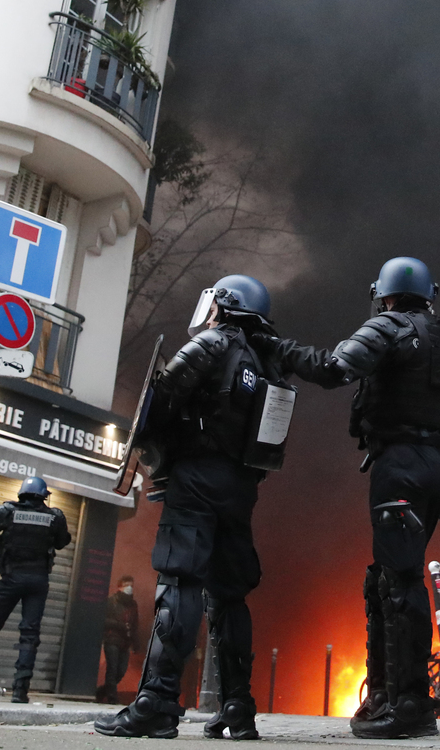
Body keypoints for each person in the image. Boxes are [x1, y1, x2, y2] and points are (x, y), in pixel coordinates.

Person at [259, 256, 440, 739]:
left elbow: (333, 368)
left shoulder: (388, 328)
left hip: (399, 466)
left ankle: (409, 706)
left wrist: (277, 349)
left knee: (400, 583)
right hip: (437, 468)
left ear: (384, 294)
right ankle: (385, 693)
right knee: (385, 578)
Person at [95, 275, 285, 740]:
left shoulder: (210, 344)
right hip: (239, 487)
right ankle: (238, 709)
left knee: (178, 583)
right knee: (230, 596)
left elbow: (159, 404)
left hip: (196, 480)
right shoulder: (265, 364)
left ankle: (157, 704)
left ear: (224, 306)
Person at [0, 476, 71, 704]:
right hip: (39, 580)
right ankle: (20, 691)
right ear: (43, 495)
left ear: (22, 493)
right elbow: (62, 542)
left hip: (12, 578)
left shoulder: (8, 510)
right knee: (29, 635)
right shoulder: (55, 516)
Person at [98, 576, 140, 703]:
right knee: (112, 668)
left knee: (121, 671)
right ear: (119, 586)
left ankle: (102, 691)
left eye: (131, 585)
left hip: (125, 643)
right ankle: (112, 697)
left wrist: (136, 642)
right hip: (112, 639)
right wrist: (119, 625)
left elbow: (135, 624)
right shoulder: (111, 601)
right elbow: (103, 620)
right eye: (127, 585)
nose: (129, 588)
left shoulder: (133, 604)